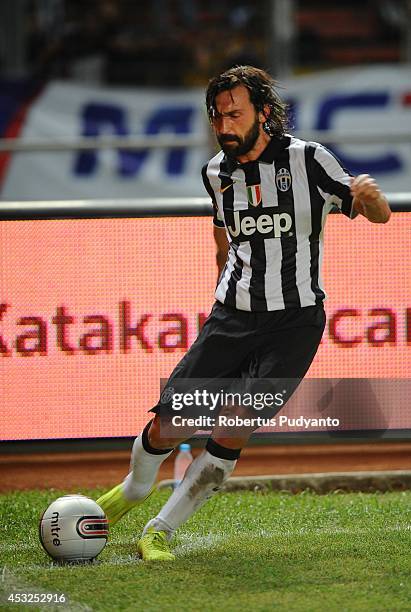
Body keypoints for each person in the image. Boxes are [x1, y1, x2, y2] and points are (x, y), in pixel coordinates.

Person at [96, 65, 391, 561]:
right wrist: (222, 271)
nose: (224, 125)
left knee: (235, 424)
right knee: (172, 425)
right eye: (217, 117)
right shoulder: (215, 172)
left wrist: (373, 200)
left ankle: (161, 530)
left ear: (265, 114)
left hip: (295, 322)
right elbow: (221, 228)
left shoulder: (310, 160)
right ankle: (133, 491)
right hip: (231, 317)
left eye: (234, 115)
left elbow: (375, 215)